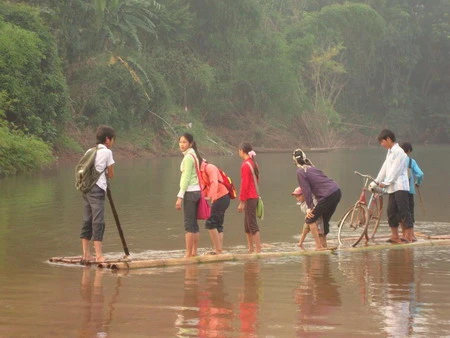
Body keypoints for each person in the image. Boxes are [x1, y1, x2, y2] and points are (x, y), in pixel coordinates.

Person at [293, 148, 341, 250]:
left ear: (295, 161)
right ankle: (324, 245)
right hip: (336, 191)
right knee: (324, 220)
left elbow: (306, 190)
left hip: (327, 195)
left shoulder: (301, 171)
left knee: (310, 219)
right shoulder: (312, 168)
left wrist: (310, 207)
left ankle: (319, 246)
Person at [80, 125, 116, 264]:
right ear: (107, 139)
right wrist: (106, 172)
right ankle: (99, 255)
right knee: (98, 221)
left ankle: (86, 254)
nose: (112, 142)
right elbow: (111, 174)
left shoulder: (90, 150)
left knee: (87, 219)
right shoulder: (107, 152)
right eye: (112, 139)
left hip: (86, 189)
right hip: (98, 188)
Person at [374, 129, 413, 243]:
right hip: (392, 187)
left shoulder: (399, 152)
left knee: (404, 210)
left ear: (388, 139)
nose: (382, 144)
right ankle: (395, 236)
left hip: (400, 185)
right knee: (391, 211)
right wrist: (377, 180)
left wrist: (386, 182)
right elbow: (385, 167)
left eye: (382, 142)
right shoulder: (390, 152)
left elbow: (396, 170)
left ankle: (409, 236)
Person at [175, 133, 202, 257]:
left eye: (184, 142)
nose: (181, 144)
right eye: (180, 142)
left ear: (190, 143)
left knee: (189, 225)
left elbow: (185, 179)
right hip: (197, 192)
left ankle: (188, 254)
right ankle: (194, 252)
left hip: (190, 193)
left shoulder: (188, 158)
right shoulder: (194, 155)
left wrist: (179, 197)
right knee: (194, 224)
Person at [200, 160, 231, 254]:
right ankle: (218, 249)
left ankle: (218, 250)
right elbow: (204, 187)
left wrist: (210, 197)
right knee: (218, 225)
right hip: (219, 198)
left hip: (221, 197)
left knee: (210, 223)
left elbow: (214, 183)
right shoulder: (201, 171)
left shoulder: (210, 167)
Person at [237, 142, 262, 253]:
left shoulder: (245, 165)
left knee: (251, 223)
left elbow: (244, 184)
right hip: (253, 196)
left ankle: (258, 249)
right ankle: (250, 248)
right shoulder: (254, 163)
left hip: (250, 197)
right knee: (247, 223)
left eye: (239, 151)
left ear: (242, 151)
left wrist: (242, 202)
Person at [400, 142, 424, 241]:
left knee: (400, 212)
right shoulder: (411, 161)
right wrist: (417, 183)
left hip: (399, 190)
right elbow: (420, 174)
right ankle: (411, 235)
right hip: (409, 191)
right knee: (410, 212)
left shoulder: (397, 161)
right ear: (409, 151)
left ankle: (404, 234)